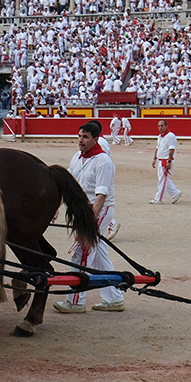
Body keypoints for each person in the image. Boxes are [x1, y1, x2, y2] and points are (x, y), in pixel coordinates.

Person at [54, 121, 124, 314]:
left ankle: (75, 301)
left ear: (96, 139)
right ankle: (114, 298)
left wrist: (90, 222)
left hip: (98, 211)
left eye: (85, 137)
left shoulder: (103, 161)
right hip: (83, 211)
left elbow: (101, 196)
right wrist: (56, 207)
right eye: (79, 136)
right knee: (99, 255)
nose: (80, 140)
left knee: (82, 251)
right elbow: (68, 186)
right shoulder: (77, 157)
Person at [150, 119, 182, 204]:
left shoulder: (170, 136)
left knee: (162, 180)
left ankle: (159, 199)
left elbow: (172, 149)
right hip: (161, 160)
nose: (160, 128)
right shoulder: (160, 136)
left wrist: (169, 161)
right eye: (159, 126)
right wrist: (154, 159)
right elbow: (158, 148)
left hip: (166, 160)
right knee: (163, 179)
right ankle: (176, 193)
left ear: (166, 126)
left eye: (162, 126)